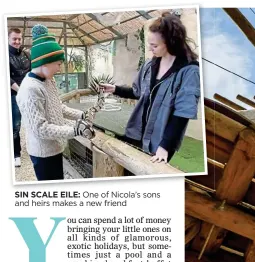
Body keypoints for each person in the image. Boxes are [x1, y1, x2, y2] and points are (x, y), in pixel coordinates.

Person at [99, 12, 200, 164]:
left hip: (160, 141)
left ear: (171, 42)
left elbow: (182, 114)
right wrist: (115, 89)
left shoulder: (189, 71)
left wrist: (165, 146)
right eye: (149, 44)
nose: (150, 48)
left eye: (154, 45)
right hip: (136, 131)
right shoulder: (149, 65)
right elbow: (138, 92)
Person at [17, 25, 94, 181]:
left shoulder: (48, 80)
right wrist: (75, 130)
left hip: (55, 147)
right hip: (43, 153)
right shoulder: (30, 89)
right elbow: (40, 129)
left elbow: (57, 106)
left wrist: (81, 114)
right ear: (45, 62)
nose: (59, 69)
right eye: (58, 64)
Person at [8, 28, 31, 167]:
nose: (17, 41)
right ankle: (16, 154)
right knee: (15, 126)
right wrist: (20, 90)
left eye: (19, 39)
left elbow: (33, 72)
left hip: (29, 94)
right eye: (14, 39)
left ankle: (33, 147)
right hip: (14, 95)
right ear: (9, 39)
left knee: (32, 122)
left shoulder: (27, 55)